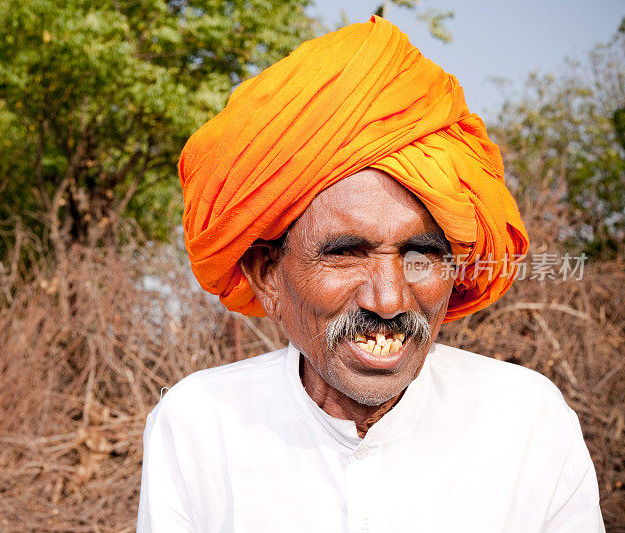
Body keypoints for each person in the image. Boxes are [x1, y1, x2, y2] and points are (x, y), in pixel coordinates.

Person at [136, 16, 604, 532]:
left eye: (421, 254)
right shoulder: (198, 425)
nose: (389, 300)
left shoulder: (528, 423)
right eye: (346, 253)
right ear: (268, 274)